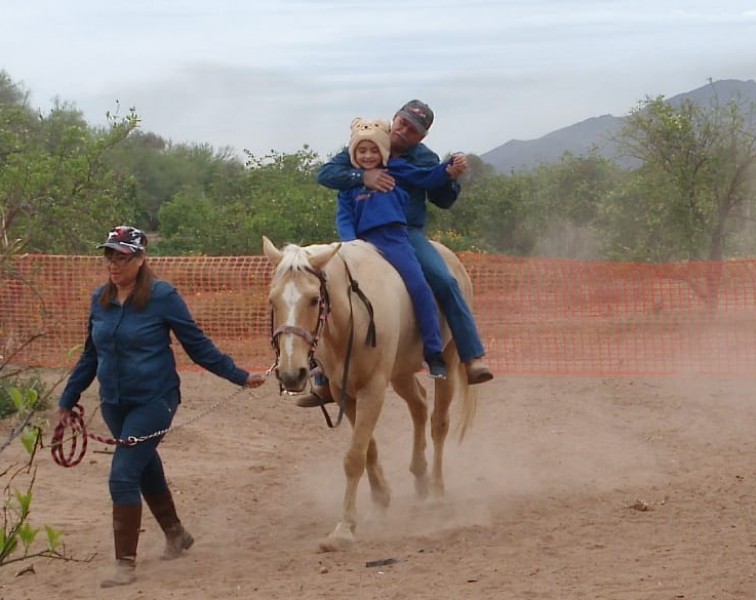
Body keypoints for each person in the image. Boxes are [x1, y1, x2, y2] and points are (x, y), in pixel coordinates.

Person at [55, 225, 266, 588]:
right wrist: (67, 398)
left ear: (140, 259)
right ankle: (176, 534)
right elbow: (91, 356)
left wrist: (239, 376)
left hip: (155, 401)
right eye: (110, 256)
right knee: (144, 466)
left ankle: (125, 565)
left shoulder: (162, 296)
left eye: (122, 257)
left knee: (122, 475)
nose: (114, 264)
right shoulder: (99, 300)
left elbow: (197, 345)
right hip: (114, 404)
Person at [295, 100, 492, 408]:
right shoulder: (369, 141)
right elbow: (326, 174)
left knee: (442, 279)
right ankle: (323, 375)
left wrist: (450, 176)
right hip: (357, 234)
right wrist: (363, 177)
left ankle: (471, 355)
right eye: (401, 122)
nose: (402, 130)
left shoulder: (422, 158)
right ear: (394, 118)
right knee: (324, 286)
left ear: (421, 137)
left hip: (404, 232)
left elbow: (440, 196)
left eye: (411, 129)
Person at [337, 117, 467, 379]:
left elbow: (426, 176)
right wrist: (350, 245)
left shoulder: (397, 168)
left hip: (393, 238)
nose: (368, 155)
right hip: (360, 243)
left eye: (374, 150)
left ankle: (433, 352)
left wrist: (449, 170)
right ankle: (324, 369)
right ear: (354, 153)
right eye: (362, 150)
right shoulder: (348, 186)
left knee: (419, 286)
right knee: (331, 289)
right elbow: (344, 218)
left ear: (383, 151)